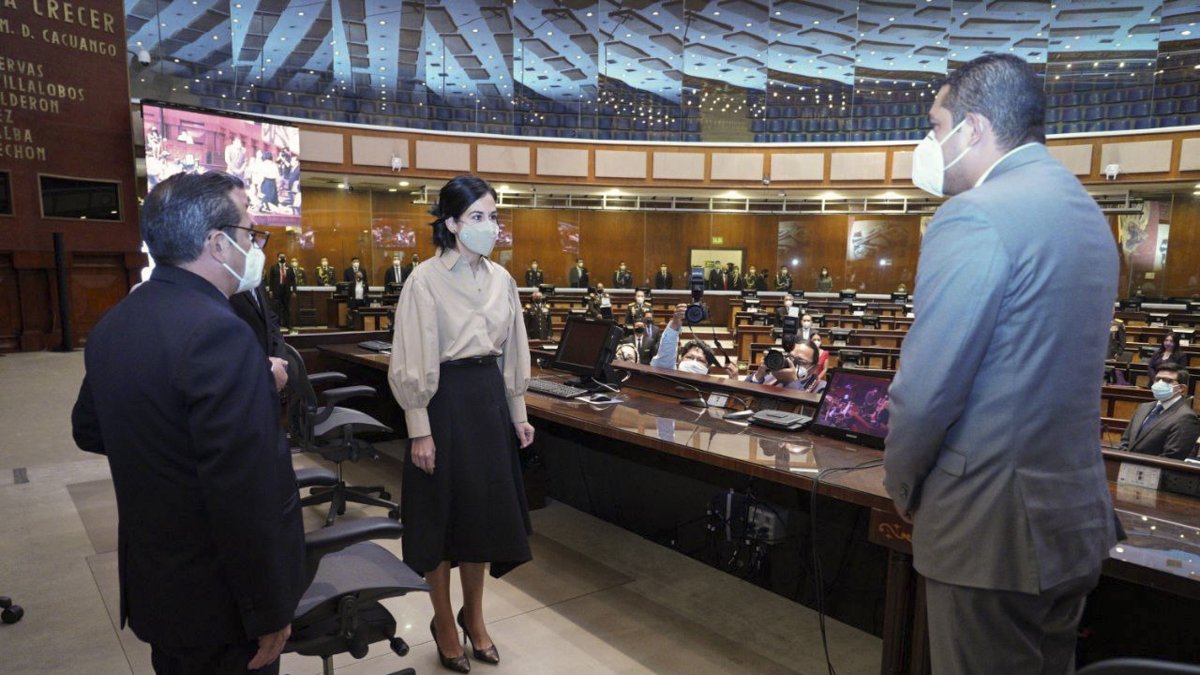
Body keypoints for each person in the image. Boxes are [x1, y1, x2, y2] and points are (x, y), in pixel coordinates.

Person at [882, 54, 1118, 675]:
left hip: (988, 528)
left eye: (936, 125)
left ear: (974, 128)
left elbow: (926, 392)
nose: (929, 141)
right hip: (1068, 522)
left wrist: (904, 487)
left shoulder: (974, 215)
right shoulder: (1087, 213)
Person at [70, 171, 304, 674]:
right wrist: (268, 610)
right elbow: (245, 494)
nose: (254, 244)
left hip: (157, 586)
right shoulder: (220, 334)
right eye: (249, 232)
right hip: (220, 603)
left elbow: (89, 429)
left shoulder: (117, 320)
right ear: (218, 244)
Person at [387, 175, 533, 673]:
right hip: (442, 403)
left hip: (488, 399)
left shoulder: (502, 280)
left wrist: (519, 413)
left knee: (481, 518)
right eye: (477, 217)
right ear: (450, 224)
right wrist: (419, 428)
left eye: (493, 216)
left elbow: (514, 350)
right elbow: (412, 358)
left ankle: (475, 617)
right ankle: (443, 623)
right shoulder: (425, 279)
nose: (489, 226)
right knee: (440, 521)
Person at [1119, 363, 1200, 460]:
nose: (1160, 383)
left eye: (1168, 380)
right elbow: (1125, 441)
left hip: (1155, 472)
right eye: (1157, 379)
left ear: (1181, 388)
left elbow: (1172, 456)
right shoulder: (1144, 407)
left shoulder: (1186, 417)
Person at [650, 304, 738, 376]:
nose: (693, 363)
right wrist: (675, 322)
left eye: (700, 360)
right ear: (680, 360)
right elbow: (666, 352)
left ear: (707, 368)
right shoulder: (669, 374)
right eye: (689, 357)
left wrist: (734, 380)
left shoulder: (712, 389)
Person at [744, 337, 825, 393]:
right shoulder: (772, 375)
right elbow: (743, 397)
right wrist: (758, 376)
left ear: (814, 368)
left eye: (801, 362)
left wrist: (792, 381)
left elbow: (804, 412)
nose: (793, 364)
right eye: (791, 357)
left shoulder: (821, 388)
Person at [266, 252, 296, 331]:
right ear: (278, 258)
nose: (282, 258)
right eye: (280, 256)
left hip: (286, 290)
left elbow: (293, 280)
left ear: (285, 258)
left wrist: (294, 290)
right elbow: (271, 280)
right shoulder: (273, 267)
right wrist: (271, 291)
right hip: (277, 290)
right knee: (277, 308)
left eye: (284, 256)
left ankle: (288, 325)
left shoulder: (289, 267)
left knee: (287, 308)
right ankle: (277, 325)